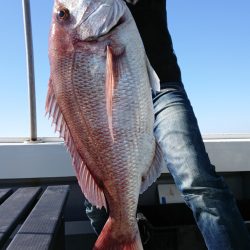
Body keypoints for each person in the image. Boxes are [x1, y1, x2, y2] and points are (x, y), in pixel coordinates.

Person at [84, 0, 250, 249]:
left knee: (198, 180)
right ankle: (133, 232)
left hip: (162, 89)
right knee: (96, 205)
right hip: (111, 98)